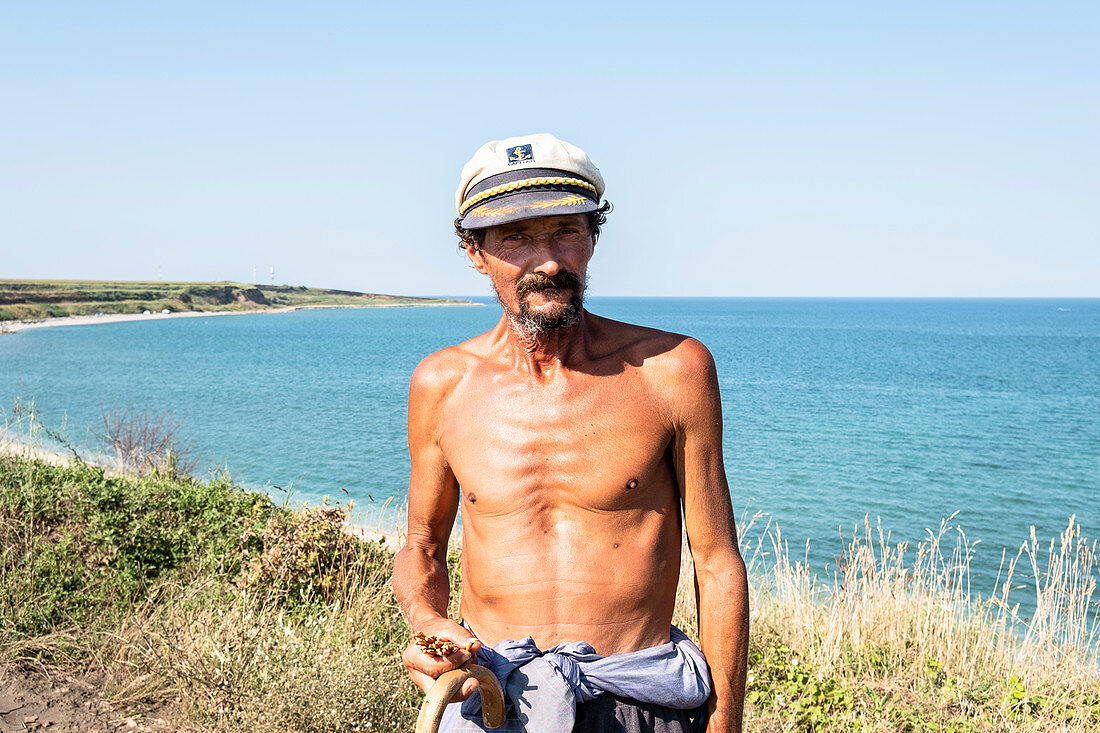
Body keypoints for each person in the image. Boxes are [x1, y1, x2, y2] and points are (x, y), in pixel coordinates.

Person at [393, 133, 749, 732]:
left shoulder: (675, 371)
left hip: (639, 702)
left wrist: (724, 728)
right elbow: (422, 544)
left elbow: (717, 564)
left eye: (566, 231)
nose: (548, 261)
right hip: (493, 697)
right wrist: (427, 619)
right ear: (475, 252)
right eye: (516, 237)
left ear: (593, 239)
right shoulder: (442, 384)